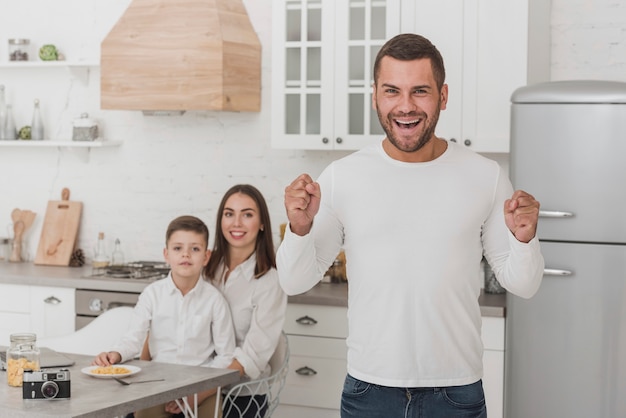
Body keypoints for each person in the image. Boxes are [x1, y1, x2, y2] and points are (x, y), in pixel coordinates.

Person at [276, 33, 545, 418]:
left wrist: (524, 239)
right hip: (369, 390)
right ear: (374, 96)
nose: (405, 106)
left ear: (444, 96)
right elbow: (294, 282)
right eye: (392, 91)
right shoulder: (341, 178)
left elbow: (524, 284)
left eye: (420, 91)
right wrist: (299, 228)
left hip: (456, 392)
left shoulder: (484, 176)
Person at [93, 215, 236, 418]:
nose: (186, 254)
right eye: (178, 248)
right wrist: (115, 354)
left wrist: (199, 392)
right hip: (156, 383)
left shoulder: (215, 301)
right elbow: (133, 339)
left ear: (206, 256)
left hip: (199, 385)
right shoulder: (152, 294)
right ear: (166, 254)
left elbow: (226, 355)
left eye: (195, 249)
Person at [204, 184, 287, 418]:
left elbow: (252, 356)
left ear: (262, 224)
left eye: (247, 214)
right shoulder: (205, 268)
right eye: (229, 214)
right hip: (193, 383)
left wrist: (202, 392)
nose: (236, 223)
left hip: (241, 396)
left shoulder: (270, 281)